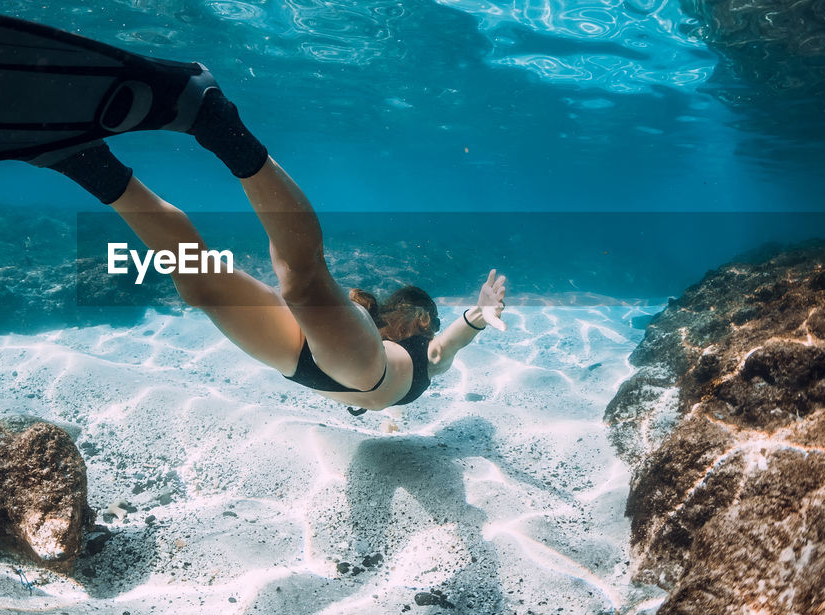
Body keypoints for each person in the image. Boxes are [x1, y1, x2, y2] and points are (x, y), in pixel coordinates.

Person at [47, 88, 507, 412]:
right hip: (365, 366)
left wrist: (479, 318)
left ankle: (88, 163)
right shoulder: (421, 351)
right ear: (418, 316)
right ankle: (218, 123)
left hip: (300, 362)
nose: (428, 323)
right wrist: (477, 318)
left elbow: (452, 340)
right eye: (426, 316)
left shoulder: (417, 350)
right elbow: (448, 343)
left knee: (199, 283)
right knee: (301, 281)